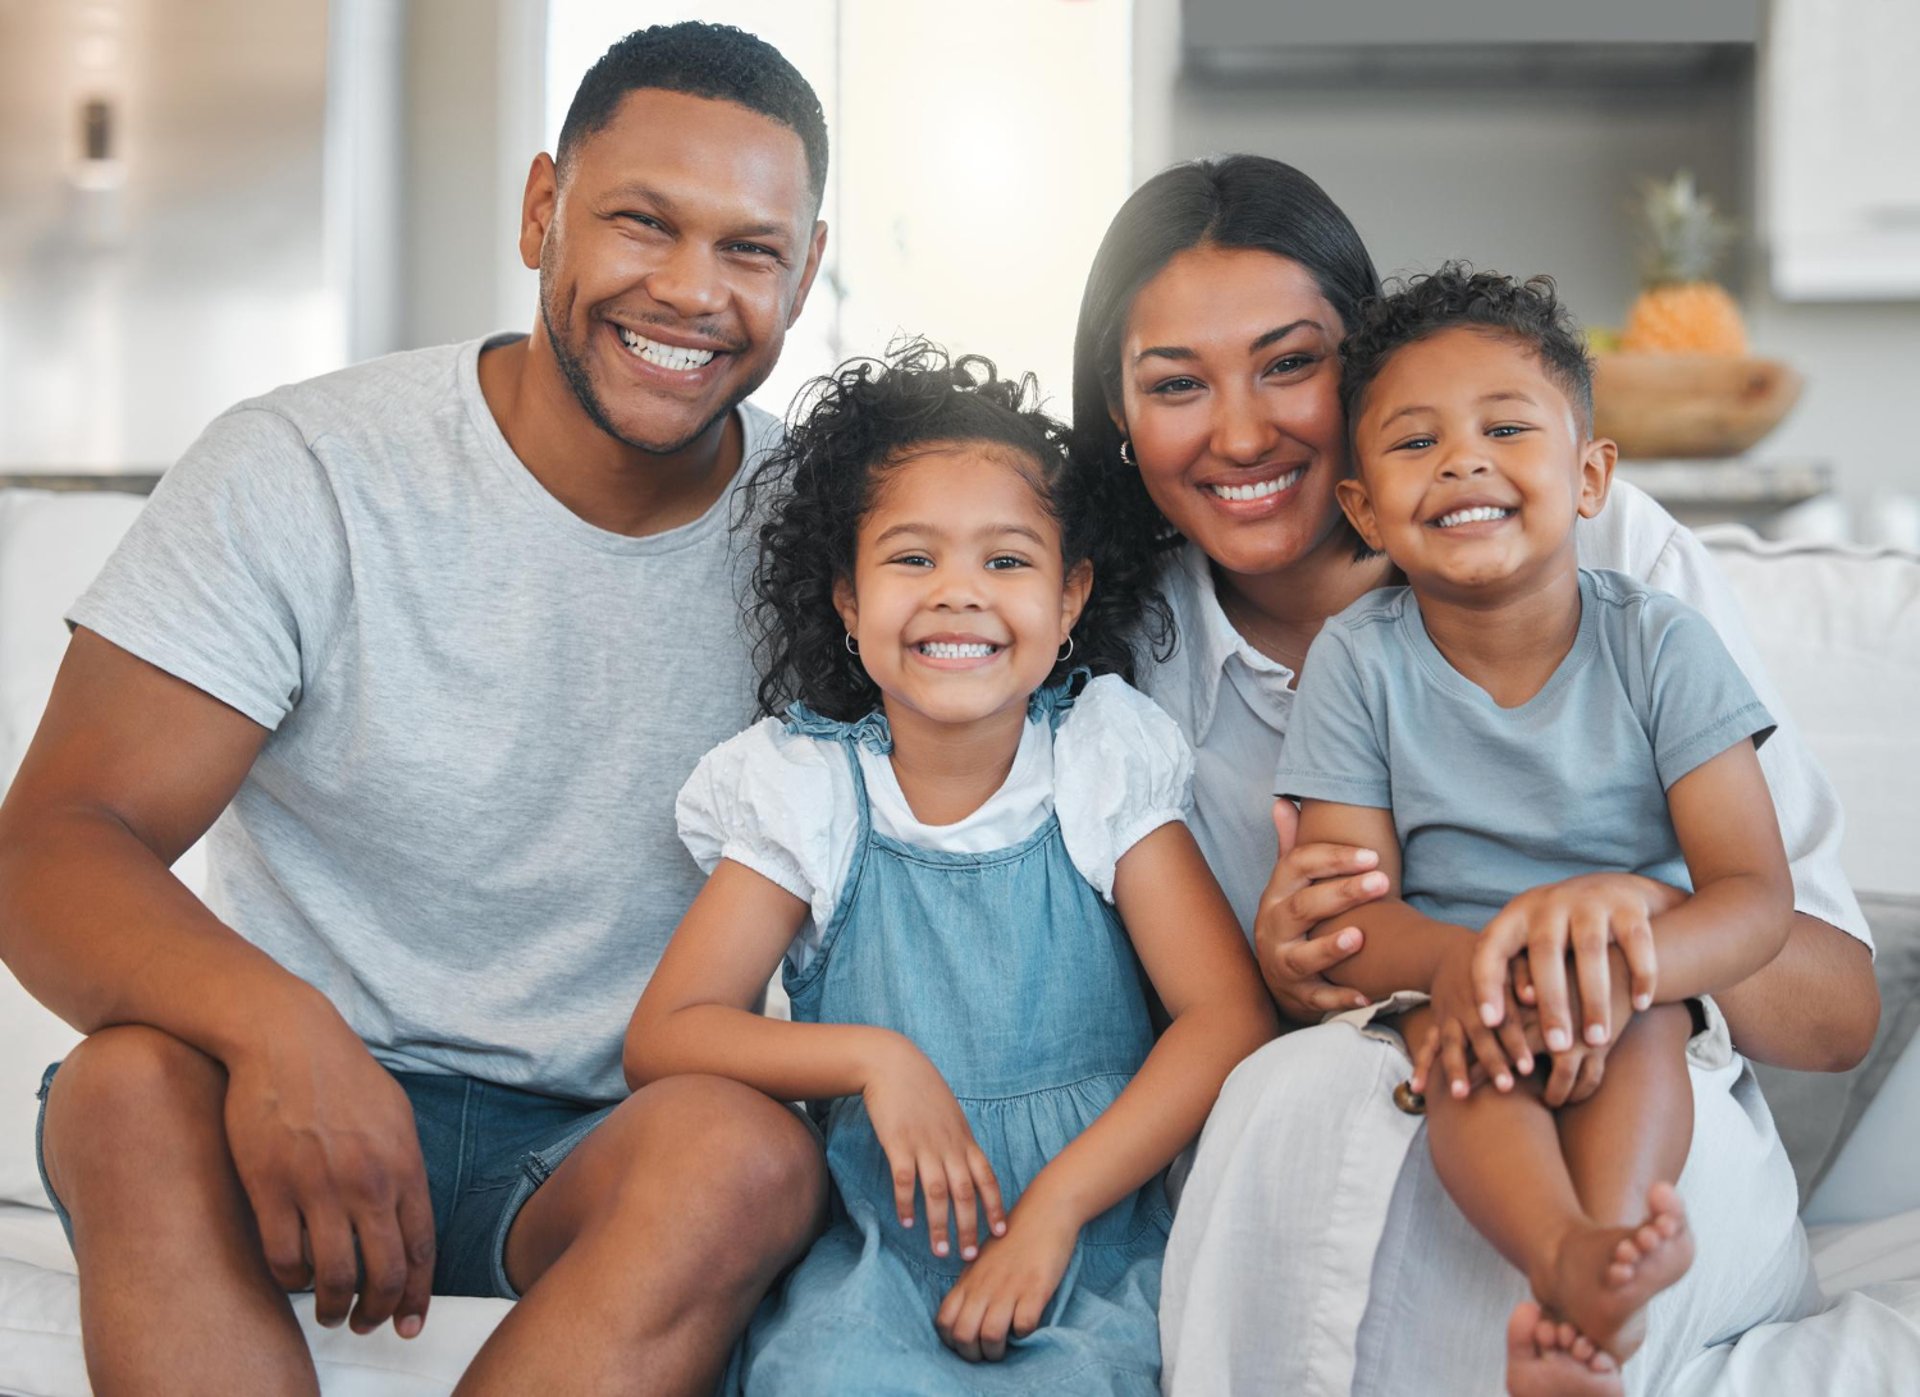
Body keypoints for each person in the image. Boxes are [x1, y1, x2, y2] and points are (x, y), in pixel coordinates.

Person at [0, 23, 835, 1394]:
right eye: (643, 222)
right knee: (123, 1089)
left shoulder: (835, 545)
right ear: (540, 211)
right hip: (279, 1103)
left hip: (597, 1143)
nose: (690, 290)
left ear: (803, 272)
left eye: (750, 248)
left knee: (749, 1156)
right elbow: (53, 845)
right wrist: (281, 1028)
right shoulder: (305, 466)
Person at [1068, 156, 1878, 1395]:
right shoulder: (1110, 654)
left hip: (1645, 1039)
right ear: (1119, 418)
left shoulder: (1613, 570)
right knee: (1346, 1095)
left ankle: (1584, 1299)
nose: (1239, 430)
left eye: (1291, 363)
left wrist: (1615, 939)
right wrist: (1329, 973)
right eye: (1177, 384)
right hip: (1423, 1043)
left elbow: (1827, 1006)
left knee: (1575, 1073)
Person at [625, 342, 1277, 1394]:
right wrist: (877, 1058)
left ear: (1071, 599)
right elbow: (667, 1034)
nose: (959, 595)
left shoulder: (1098, 759)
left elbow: (1225, 1016)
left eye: (1007, 562)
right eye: (913, 558)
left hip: (1093, 1240)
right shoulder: (805, 788)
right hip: (874, 1258)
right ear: (846, 596)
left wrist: (1059, 1207)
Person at [1281, 264, 1798, 1391]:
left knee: (1647, 1027)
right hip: (1460, 972)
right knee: (1466, 1055)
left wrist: (1632, 962)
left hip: (1638, 975)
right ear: (1364, 507)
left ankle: (1605, 1260)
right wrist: (1470, 968)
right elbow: (1353, 912)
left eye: (1506, 427)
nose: (1463, 459)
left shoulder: (1661, 645)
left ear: (1590, 475)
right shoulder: (1358, 661)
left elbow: (1755, 896)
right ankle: (1561, 1258)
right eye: (1414, 443)